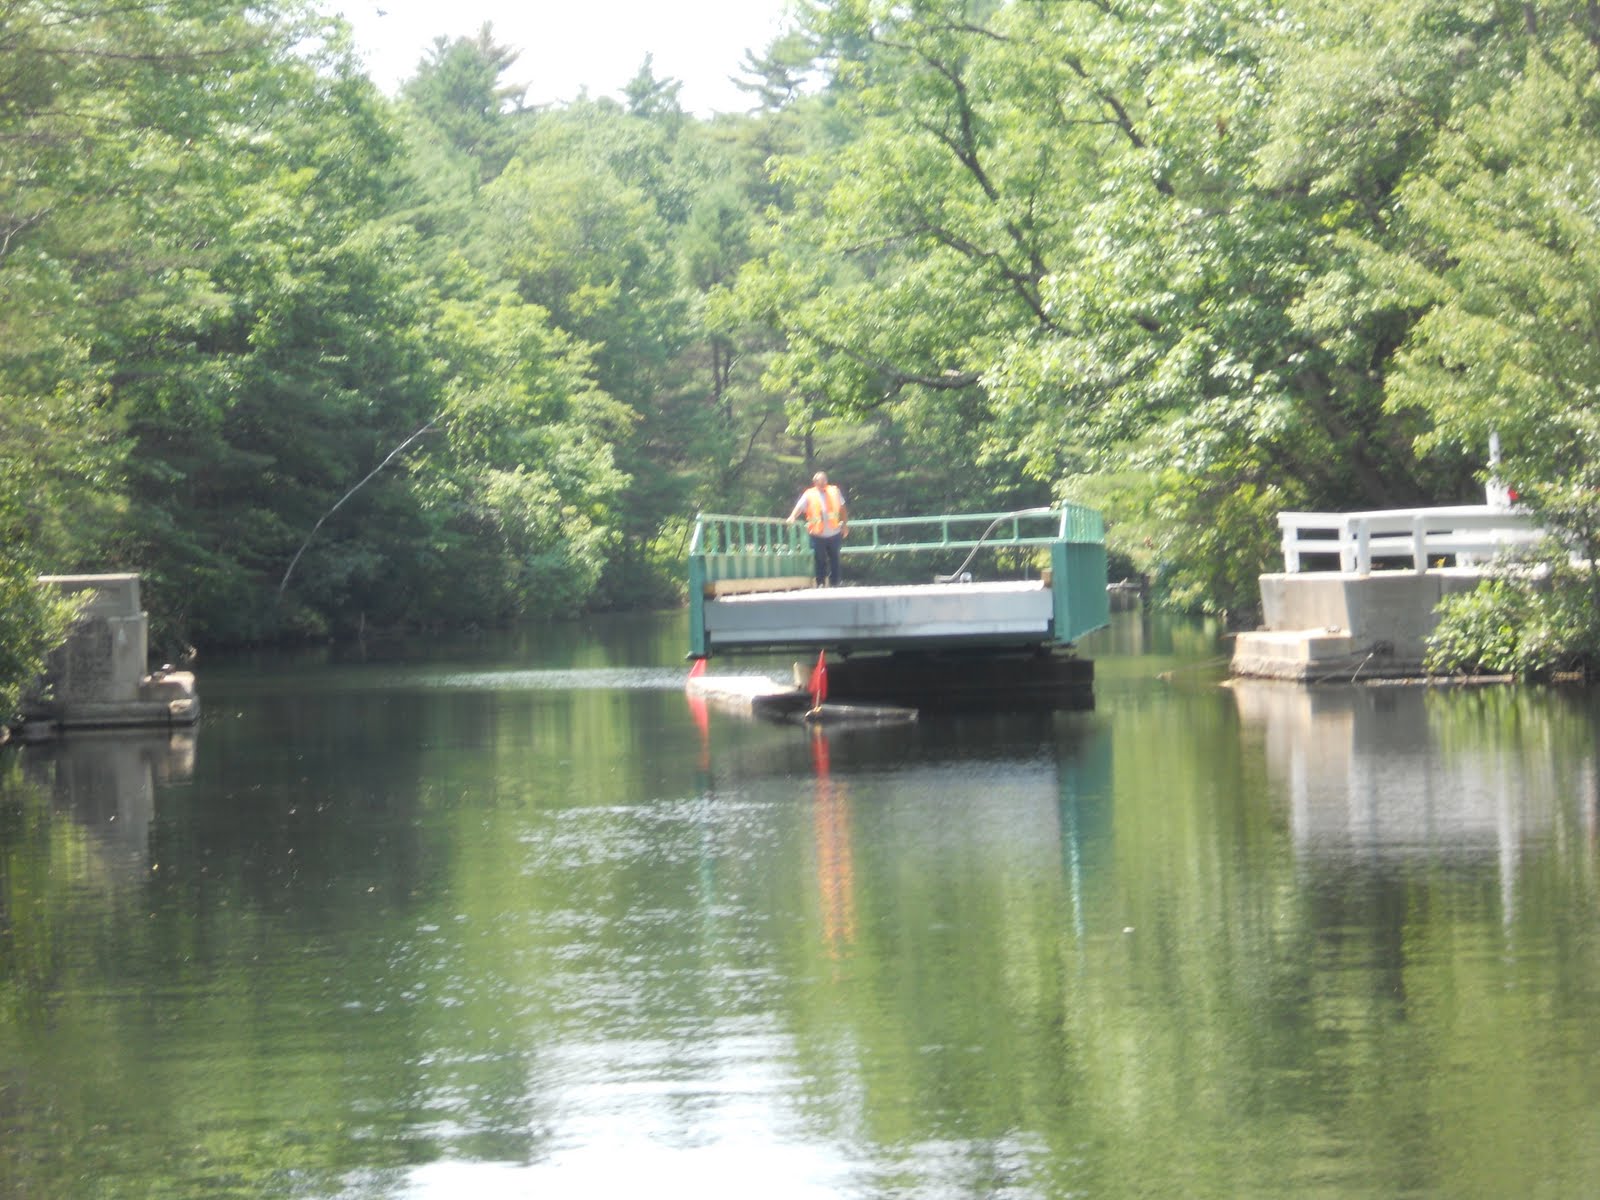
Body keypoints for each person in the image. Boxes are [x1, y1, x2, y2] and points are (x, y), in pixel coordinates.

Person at [787, 471, 848, 587]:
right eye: (820, 481)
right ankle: (820, 582)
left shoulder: (834, 491)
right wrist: (792, 516)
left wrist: (844, 524)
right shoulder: (809, 494)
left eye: (824, 480)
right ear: (814, 482)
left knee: (835, 558)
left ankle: (835, 582)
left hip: (834, 532)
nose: (822, 483)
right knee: (819, 559)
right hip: (817, 533)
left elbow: (843, 508)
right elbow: (799, 507)